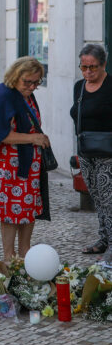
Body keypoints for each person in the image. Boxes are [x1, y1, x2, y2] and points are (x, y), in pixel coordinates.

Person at [0, 56, 49, 261]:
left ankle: (26, 254)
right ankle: (9, 258)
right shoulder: (4, 95)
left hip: (28, 163)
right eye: (27, 82)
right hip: (7, 165)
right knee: (9, 213)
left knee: (27, 209)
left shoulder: (26, 95)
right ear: (15, 76)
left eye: (36, 83)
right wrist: (33, 138)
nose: (31, 86)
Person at [72, 44, 112, 261]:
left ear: (103, 64)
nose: (88, 72)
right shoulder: (79, 87)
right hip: (87, 151)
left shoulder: (110, 85)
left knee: (109, 198)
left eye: (93, 67)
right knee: (97, 197)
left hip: (109, 152)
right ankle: (104, 239)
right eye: (84, 67)